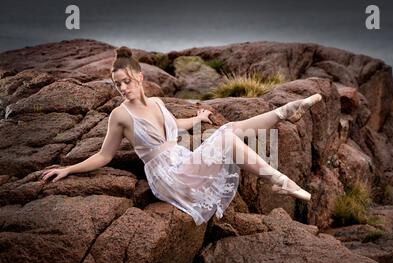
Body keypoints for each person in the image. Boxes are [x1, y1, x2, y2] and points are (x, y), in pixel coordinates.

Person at [40, 46, 322, 225]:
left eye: (126, 81)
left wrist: (198, 119)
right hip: (168, 178)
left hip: (182, 162)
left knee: (229, 132)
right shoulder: (120, 116)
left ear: (139, 76)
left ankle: (286, 112)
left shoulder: (159, 104)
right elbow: (104, 155)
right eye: (117, 84)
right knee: (226, 135)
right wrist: (68, 169)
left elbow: (175, 126)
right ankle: (279, 174)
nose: (122, 88)